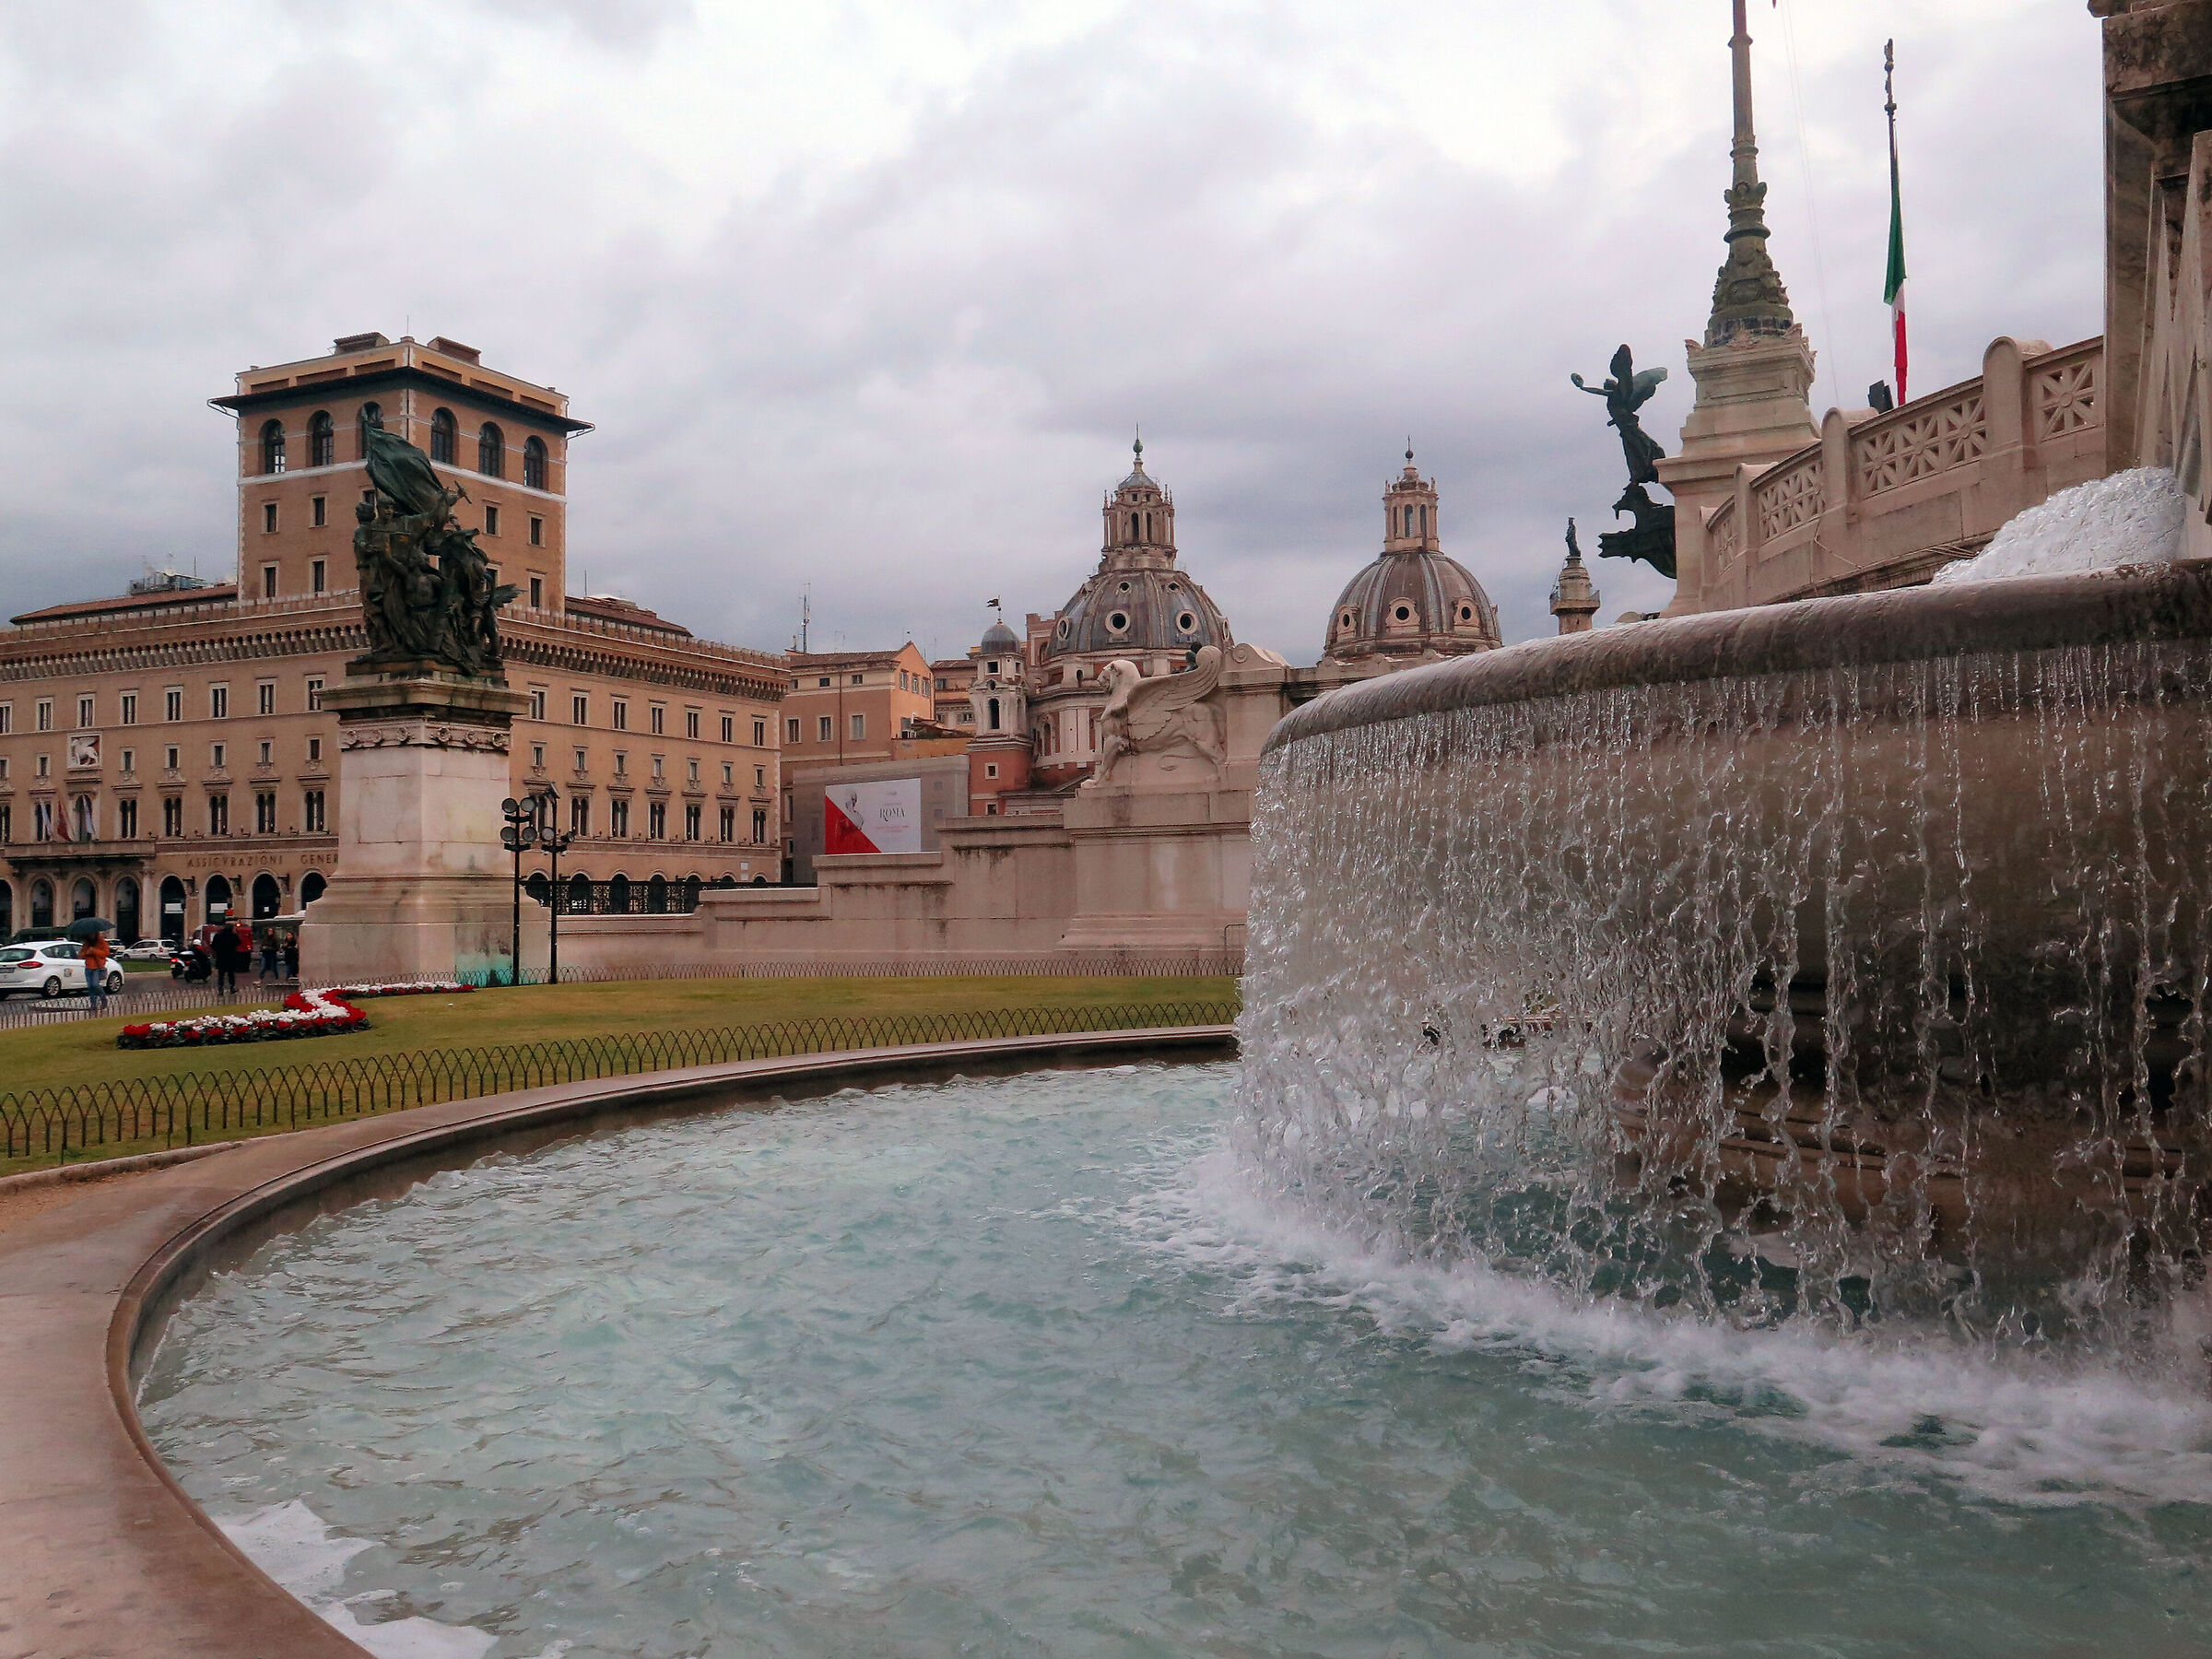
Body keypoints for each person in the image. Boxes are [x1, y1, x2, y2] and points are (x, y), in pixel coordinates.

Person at [81, 931, 112, 1015]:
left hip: (97, 967)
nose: (91, 935)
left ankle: (103, 998)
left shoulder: (101, 942)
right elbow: (81, 954)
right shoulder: (86, 943)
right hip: (88, 967)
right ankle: (93, 1005)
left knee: (95, 985)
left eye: (92, 933)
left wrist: (94, 951)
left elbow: (105, 953)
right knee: (90, 987)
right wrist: (86, 953)